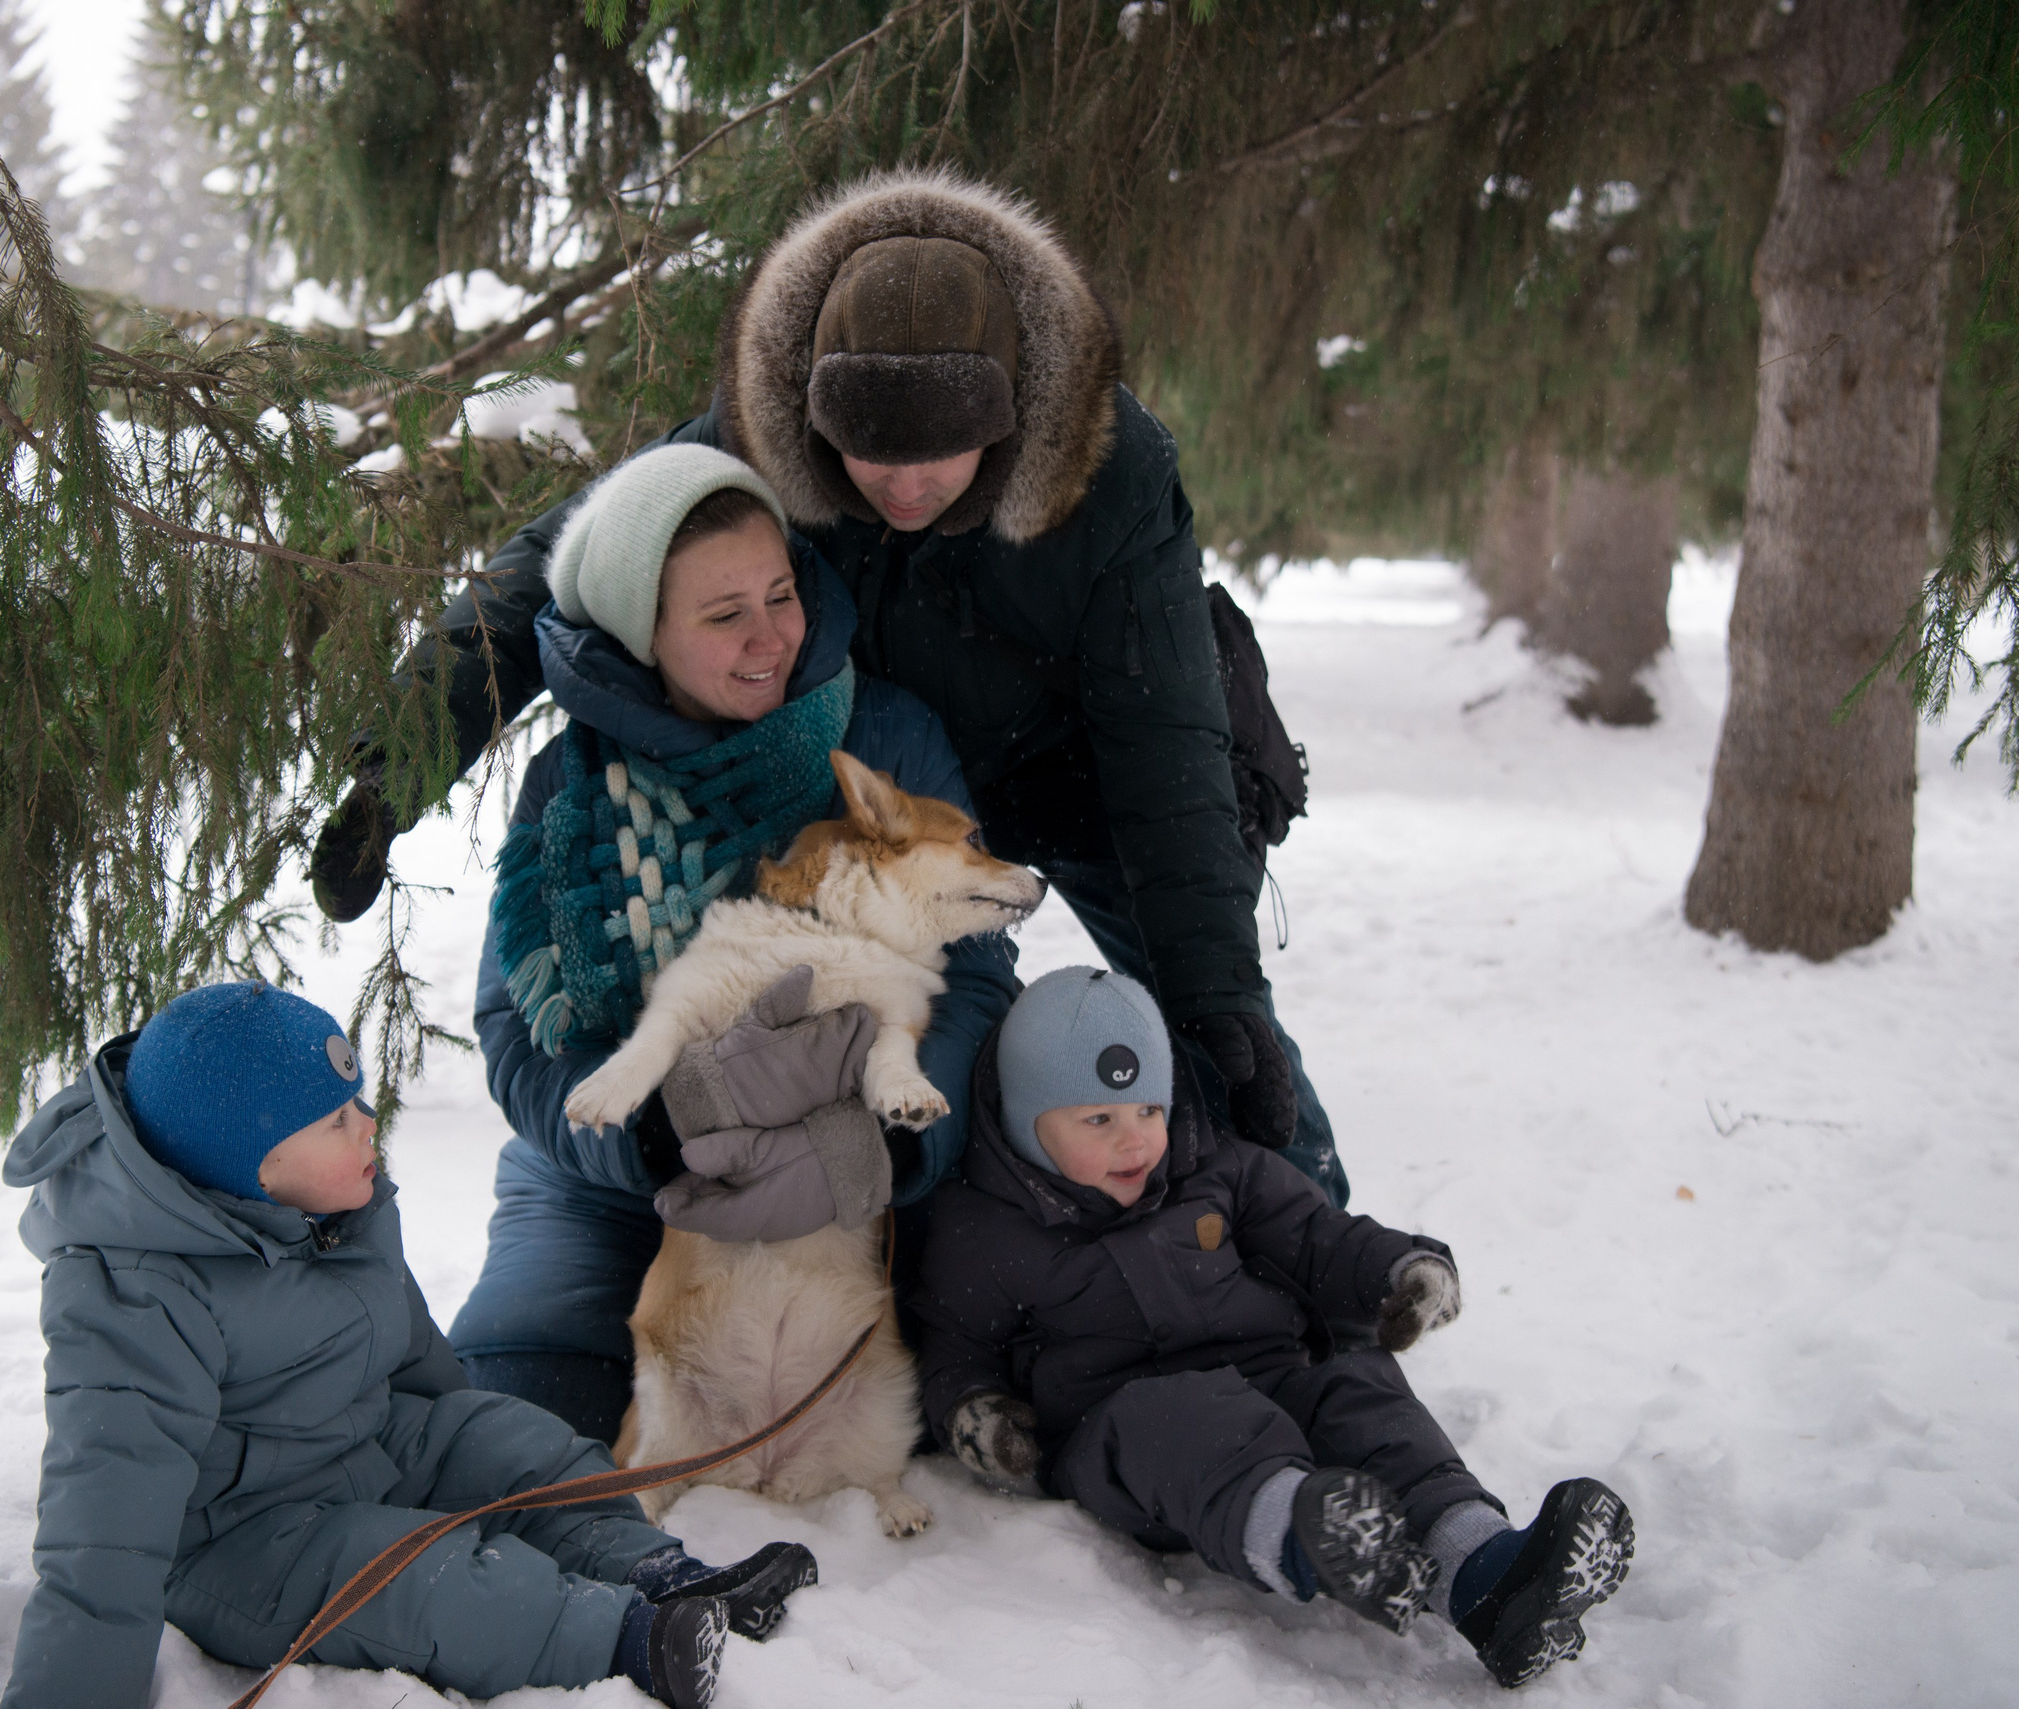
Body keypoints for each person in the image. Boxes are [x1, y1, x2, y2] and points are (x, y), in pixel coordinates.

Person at [311, 166, 1349, 1209]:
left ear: (1008, 412)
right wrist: (399, 761)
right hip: (885, 781)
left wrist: (1217, 992)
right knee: (905, 1017)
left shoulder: (1111, 467)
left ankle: (1315, 1234)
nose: (902, 488)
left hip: (1076, 772)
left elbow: (1162, 734)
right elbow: (562, 561)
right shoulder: (756, 431)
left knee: (1220, 1034)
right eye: (868, 454)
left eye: (939, 454)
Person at [0, 980, 818, 1709]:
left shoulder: (334, 1206)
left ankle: (655, 1570)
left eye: (359, 1099)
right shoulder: (134, 1295)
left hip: (364, 1443)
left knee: (520, 1442)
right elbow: (102, 1531)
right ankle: (627, 1637)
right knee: (416, 1583)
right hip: (241, 1540)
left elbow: (412, 1348)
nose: (369, 1125)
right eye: (336, 1118)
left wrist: (471, 1451)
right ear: (252, 1165)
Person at [447, 443, 1020, 1441]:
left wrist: (881, 1142)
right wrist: (656, 1144)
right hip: (618, 1176)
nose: (771, 640)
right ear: (645, 634)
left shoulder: (880, 736)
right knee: (525, 1399)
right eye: (723, 616)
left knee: (989, 1331)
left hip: (854, 1166)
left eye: (780, 593)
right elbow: (518, 1032)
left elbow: (971, 973)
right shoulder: (571, 794)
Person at [911, 967, 1633, 1689]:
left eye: (1149, 1110)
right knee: (1182, 1419)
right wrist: (976, 1412)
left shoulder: (1217, 1166)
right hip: (1123, 1426)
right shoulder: (982, 1229)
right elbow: (951, 1342)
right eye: (1099, 1120)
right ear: (1025, 1123)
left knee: (1361, 1387)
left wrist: (1398, 1267)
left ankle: (1486, 1573)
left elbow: (1318, 1234)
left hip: (1271, 1376)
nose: (1135, 1142)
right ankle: (1308, 1538)